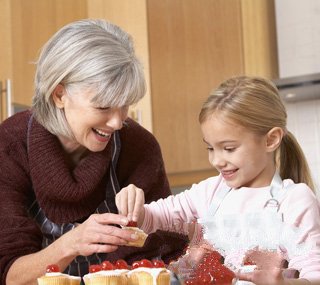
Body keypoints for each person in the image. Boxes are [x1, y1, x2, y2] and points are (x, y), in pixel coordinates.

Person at [0, 19, 188, 285]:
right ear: (59, 95)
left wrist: (148, 220)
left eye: (125, 106)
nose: (117, 122)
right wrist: (71, 244)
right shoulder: (9, 146)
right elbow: (10, 275)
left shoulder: (138, 146)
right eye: (103, 107)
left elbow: (167, 261)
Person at [116, 76, 320, 284]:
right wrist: (135, 207)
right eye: (211, 148)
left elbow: (314, 276)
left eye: (229, 149)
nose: (217, 160)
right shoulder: (211, 192)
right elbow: (157, 217)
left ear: (271, 139)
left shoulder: (294, 200)